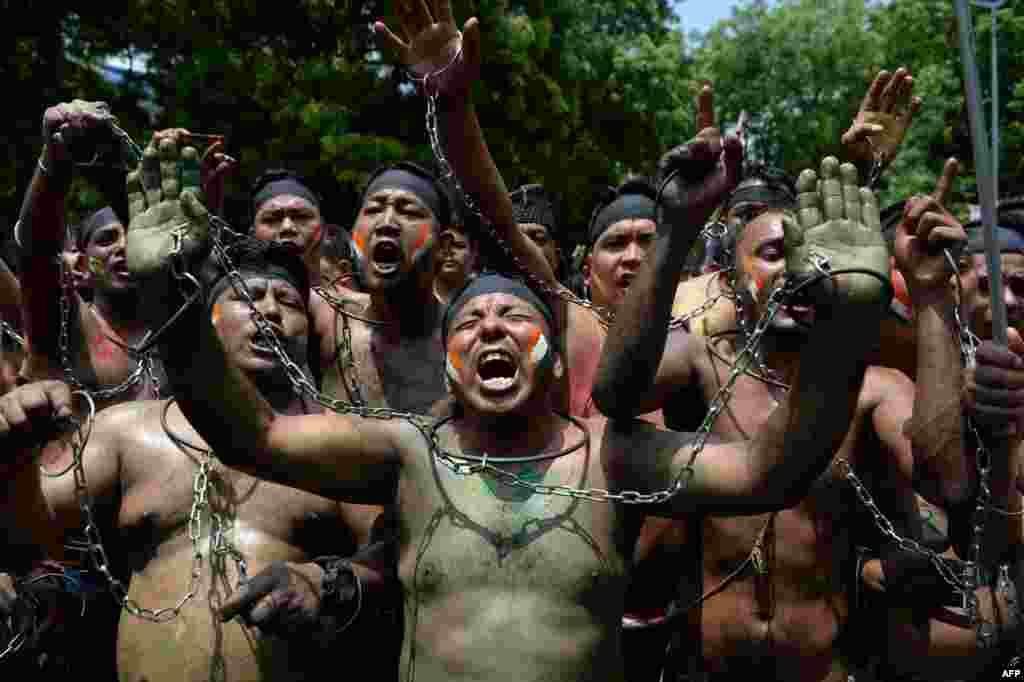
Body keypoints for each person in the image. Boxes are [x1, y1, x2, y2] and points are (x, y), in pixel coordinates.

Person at [592, 147, 983, 680]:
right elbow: (616, 393)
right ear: (731, 279)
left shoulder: (871, 389)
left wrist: (931, 293)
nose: (801, 269)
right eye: (776, 253)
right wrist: (675, 230)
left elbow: (947, 483)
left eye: (815, 255)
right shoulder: (700, 364)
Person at [0, 237, 390, 682]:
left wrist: (326, 581)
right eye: (246, 297)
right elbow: (35, 537)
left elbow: (398, 557)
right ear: (207, 320)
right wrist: (14, 462)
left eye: (288, 301)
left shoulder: (333, 439)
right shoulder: (128, 430)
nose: (270, 311)